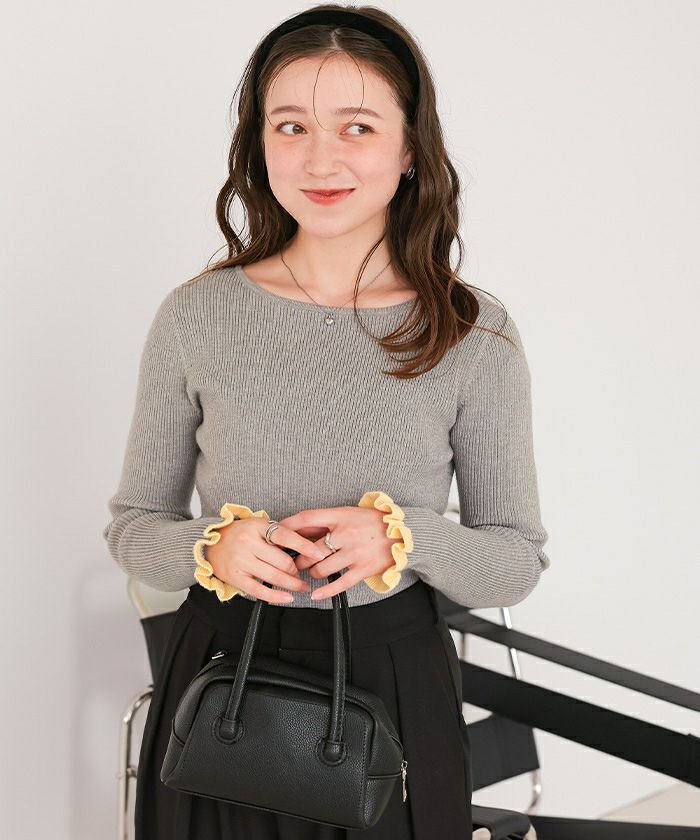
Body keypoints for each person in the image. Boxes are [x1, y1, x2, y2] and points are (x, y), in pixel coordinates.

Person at [102, 5, 551, 838]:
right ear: (258, 143)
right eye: (291, 126)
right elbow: (133, 528)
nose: (320, 158)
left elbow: (514, 562)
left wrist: (406, 537)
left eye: (357, 126)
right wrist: (210, 548)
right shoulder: (196, 315)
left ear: (410, 148)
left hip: (395, 687)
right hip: (220, 680)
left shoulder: (472, 333)